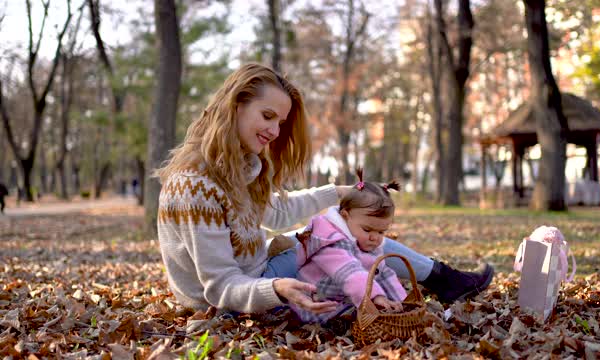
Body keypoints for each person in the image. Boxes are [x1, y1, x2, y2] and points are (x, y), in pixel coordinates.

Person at [154, 63, 493, 316]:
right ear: (236, 106)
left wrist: (338, 193)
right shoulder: (195, 187)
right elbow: (220, 285)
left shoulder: (237, 168)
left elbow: (278, 213)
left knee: (352, 233)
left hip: (255, 273)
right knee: (349, 236)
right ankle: (446, 280)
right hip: (232, 300)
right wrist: (276, 288)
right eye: (267, 116)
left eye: (280, 123)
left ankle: (443, 279)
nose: (274, 131)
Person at [292, 168, 406, 324]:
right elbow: (348, 272)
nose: (375, 237)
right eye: (367, 229)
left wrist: (404, 303)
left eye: (381, 231)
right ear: (345, 216)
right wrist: (376, 296)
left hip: (344, 298)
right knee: (364, 315)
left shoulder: (366, 240)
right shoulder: (329, 242)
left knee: (378, 300)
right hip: (315, 306)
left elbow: (383, 273)